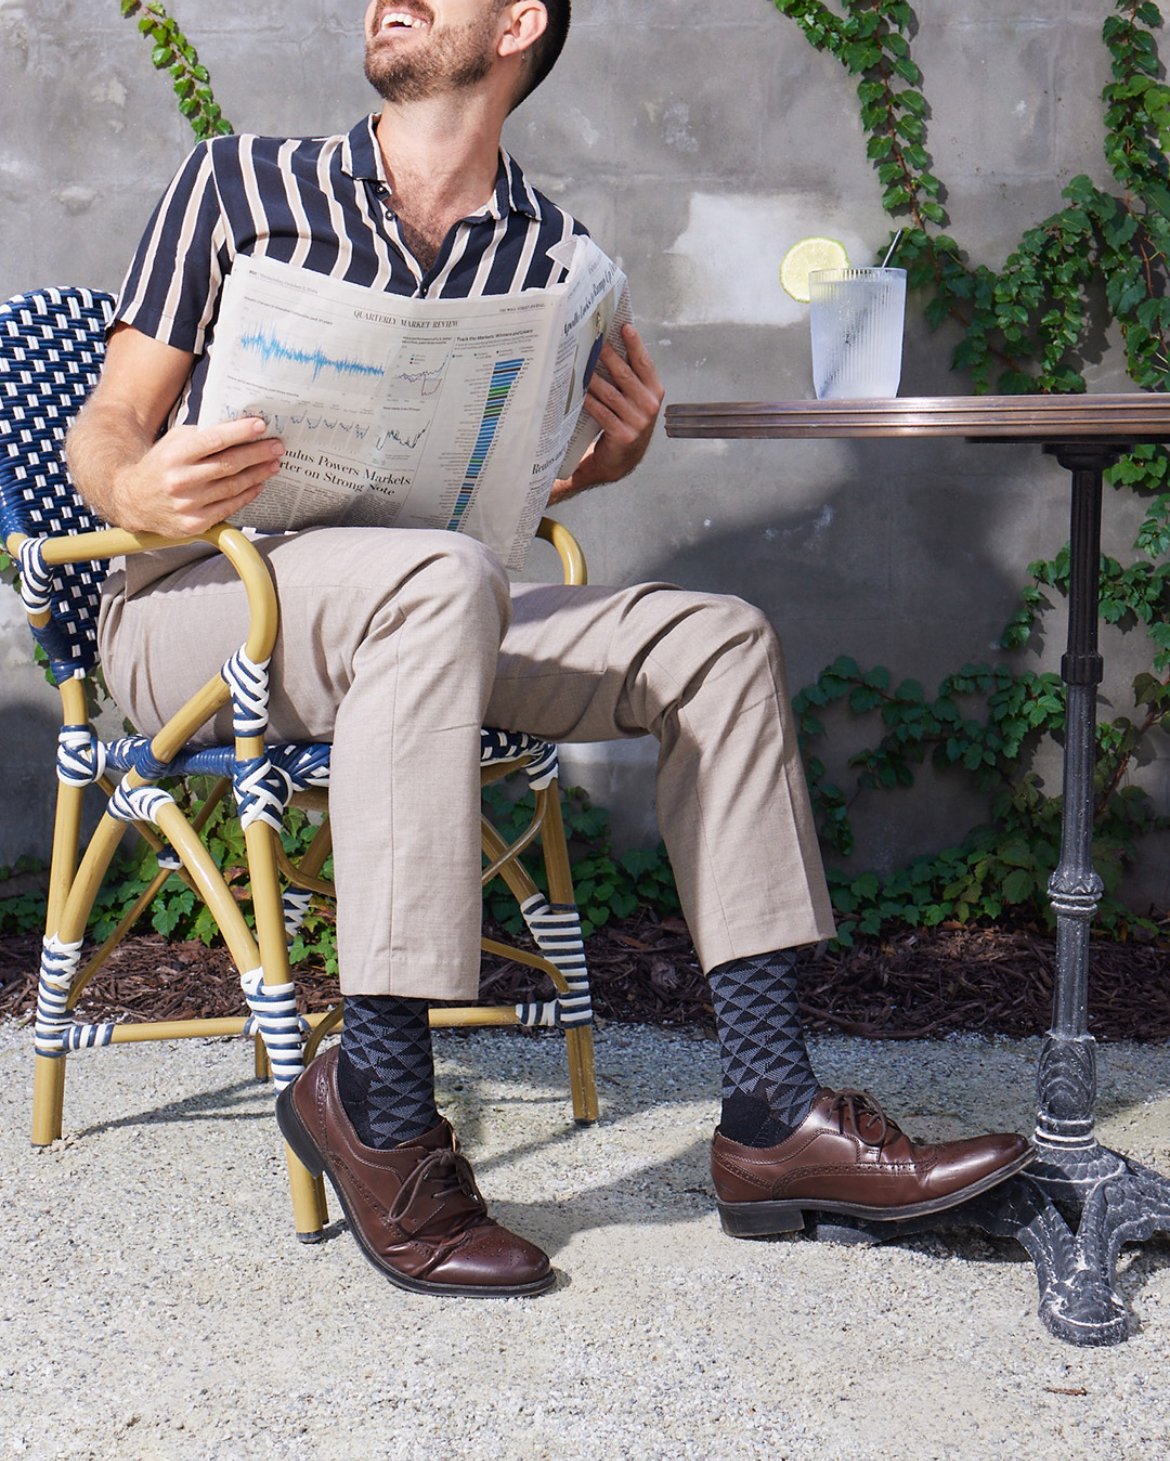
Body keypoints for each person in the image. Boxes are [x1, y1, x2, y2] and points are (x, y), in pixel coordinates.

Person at [66, 0, 1033, 1299]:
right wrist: (143, 485)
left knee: (711, 634)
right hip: (203, 603)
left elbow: (483, 512)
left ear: (520, 21)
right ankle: (384, 1105)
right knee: (440, 581)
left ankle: (769, 1116)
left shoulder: (550, 257)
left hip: (421, 600)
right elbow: (106, 432)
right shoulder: (237, 185)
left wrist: (591, 468)